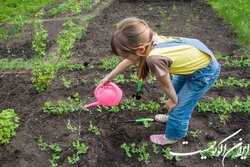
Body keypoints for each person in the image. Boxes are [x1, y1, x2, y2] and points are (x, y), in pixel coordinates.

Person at [99, 17, 221, 145]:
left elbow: (166, 86)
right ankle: (172, 117)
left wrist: (173, 101)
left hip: (203, 74)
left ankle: (173, 136)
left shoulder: (154, 59)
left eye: (124, 55)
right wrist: (108, 77)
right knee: (175, 96)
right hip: (193, 66)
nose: (124, 58)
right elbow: (130, 60)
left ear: (140, 49)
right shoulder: (150, 40)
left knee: (179, 107)